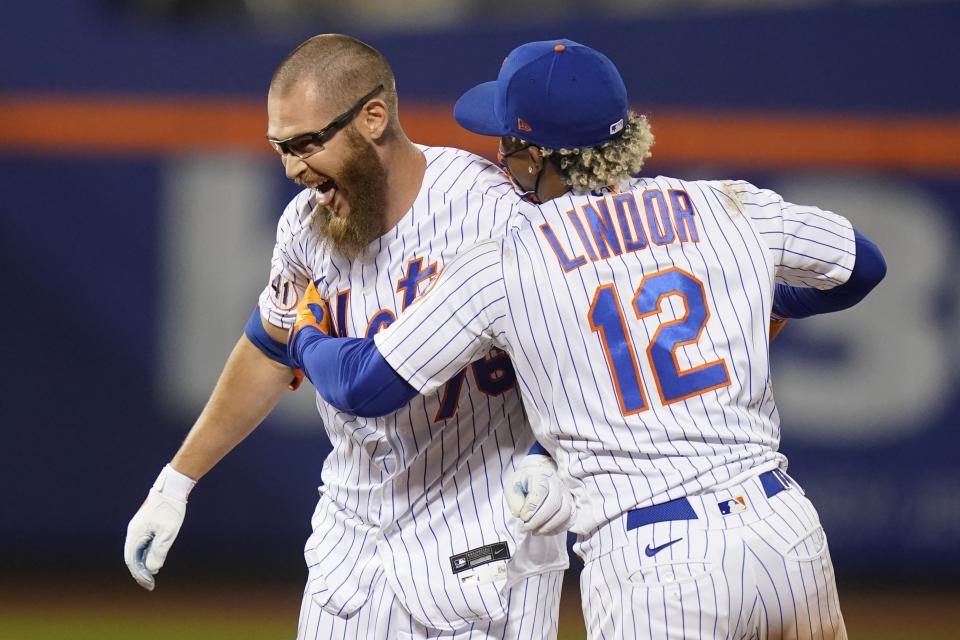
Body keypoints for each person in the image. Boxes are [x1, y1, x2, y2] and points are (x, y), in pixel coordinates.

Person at [285, 39, 887, 639]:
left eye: (509, 142)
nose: (500, 154)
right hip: (785, 531)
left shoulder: (507, 262)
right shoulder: (722, 205)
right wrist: (759, 308)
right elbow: (862, 266)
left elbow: (361, 385)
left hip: (658, 560)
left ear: (536, 155)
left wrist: (307, 329)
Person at [123, 34, 568, 639]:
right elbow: (266, 349)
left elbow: (576, 364)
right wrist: (175, 482)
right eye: (280, 147)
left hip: (483, 547)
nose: (291, 167)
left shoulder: (493, 215)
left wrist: (548, 458)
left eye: (307, 143)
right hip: (350, 553)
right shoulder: (304, 226)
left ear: (374, 117)